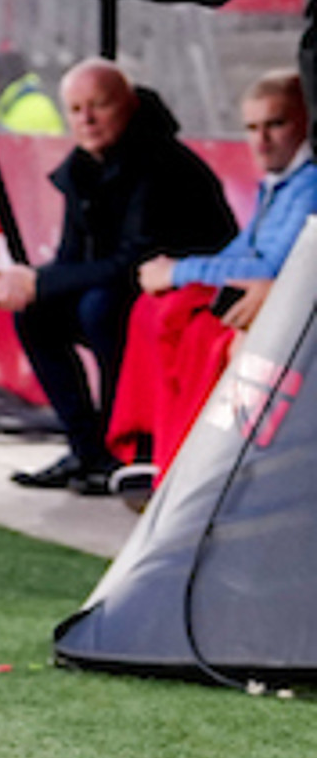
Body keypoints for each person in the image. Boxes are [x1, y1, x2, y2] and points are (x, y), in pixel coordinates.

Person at [0, 60, 236, 492]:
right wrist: (33, 285)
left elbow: (134, 263)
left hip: (188, 296)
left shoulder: (162, 164)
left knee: (101, 309)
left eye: (99, 105)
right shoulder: (82, 168)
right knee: (37, 315)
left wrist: (39, 281)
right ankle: (87, 451)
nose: (87, 119)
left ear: (128, 104)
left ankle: (126, 452)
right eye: (75, 109)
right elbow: (71, 258)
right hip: (128, 289)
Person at [105, 67, 313, 494]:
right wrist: (177, 270)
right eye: (252, 128)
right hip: (270, 309)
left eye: (275, 124)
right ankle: (155, 451)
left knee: (194, 325)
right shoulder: (280, 183)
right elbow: (239, 254)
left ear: (306, 121)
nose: (262, 140)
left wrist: (178, 272)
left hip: (290, 317)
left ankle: (192, 466)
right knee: (153, 306)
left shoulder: (308, 185)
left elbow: (270, 270)